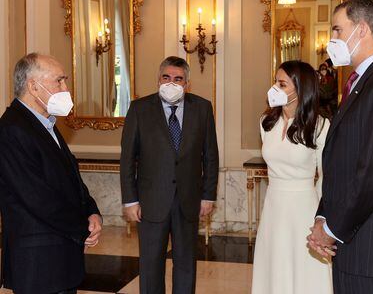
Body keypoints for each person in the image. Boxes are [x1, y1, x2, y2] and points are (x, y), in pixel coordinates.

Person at [307, 0, 373, 294]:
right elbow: (341, 162)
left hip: (371, 247)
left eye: (338, 30)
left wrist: (332, 230)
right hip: (353, 243)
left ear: (362, 29)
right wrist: (323, 216)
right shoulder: (359, 82)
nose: (333, 38)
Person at [0, 53, 102, 294]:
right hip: (38, 262)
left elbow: (71, 178)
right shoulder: (11, 129)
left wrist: (91, 210)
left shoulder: (46, 125)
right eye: (59, 81)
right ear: (34, 86)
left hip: (59, 256)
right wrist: (81, 228)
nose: (65, 88)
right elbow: (36, 197)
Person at [120, 56, 219, 294]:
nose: (171, 83)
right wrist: (130, 200)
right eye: (166, 77)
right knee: (151, 263)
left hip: (189, 200)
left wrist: (208, 196)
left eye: (178, 79)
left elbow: (211, 156)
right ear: (158, 80)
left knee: (186, 263)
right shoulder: (139, 109)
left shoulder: (203, 108)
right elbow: (127, 158)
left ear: (187, 84)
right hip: (151, 201)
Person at [251, 60, 332, 294]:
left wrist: (321, 219)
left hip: (304, 208)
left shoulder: (320, 125)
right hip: (274, 206)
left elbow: (325, 177)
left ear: (300, 88)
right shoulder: (266, 123)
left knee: (304, 270)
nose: (274, 88)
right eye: (275, 82)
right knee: (274, 266)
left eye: (281, 83)